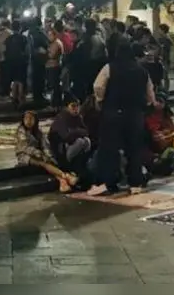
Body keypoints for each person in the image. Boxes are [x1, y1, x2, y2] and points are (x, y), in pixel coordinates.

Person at [93, 37, 155, 194]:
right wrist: (147, 104)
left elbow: (98, 86)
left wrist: (100, 101)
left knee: (110, 149)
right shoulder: (142, 70)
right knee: (134, 148)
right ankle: (135, 183)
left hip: (113, 113)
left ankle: (109, 183)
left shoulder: (109, 68)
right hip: (135, 115)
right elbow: (150, 93)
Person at [15, 110, 77, 192]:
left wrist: (47, 155)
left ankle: (62, 182)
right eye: (26, 118)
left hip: (38, 153)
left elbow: (45, 144)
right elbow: (25, 147)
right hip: (24, 155)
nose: (28, 121)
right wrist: (39, 154)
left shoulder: (38, 131)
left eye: (31, 118)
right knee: (43, 163)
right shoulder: (21, 131)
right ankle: (66, 176)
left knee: (50, 161)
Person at [47, 92, 93, 185]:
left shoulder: (78, 117)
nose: (76, 109)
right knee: (80, 141)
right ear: (66, 107)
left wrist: (75, 132)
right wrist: (77, 132)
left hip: (73, 147)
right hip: (62, 153)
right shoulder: (61, 118)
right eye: (73, 106)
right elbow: (66, 136)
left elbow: (86, 132)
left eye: (77, 106)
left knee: (86, 141)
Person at [3, 20, 29, 108]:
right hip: (21, 62)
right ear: (20, 27)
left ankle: (14, 97)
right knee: (21, 80)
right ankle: (21, 99)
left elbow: (5, 51)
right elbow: (27, 51)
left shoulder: (9, 39)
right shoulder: (23, 38)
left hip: (11, 61)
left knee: (14, 80)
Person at [28, 18, 50, 106]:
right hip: (40, 58)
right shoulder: (40, 33)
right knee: (40, 77)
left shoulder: (30, 32)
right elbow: (46, 43)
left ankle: (35, 94)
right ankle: (39, 95)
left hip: (33, 57)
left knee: (35, 77)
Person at [45, 27, 65, 109]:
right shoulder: (52, 43)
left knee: (55, 85)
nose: (48, 37)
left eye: (50, 35)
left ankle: (56, 103)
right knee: (53, 85)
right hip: (50, 66)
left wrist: (44, 52)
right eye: (48, 35)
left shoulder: (56, 43)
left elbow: (51, 55)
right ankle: (55, 103)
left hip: (54, 66)